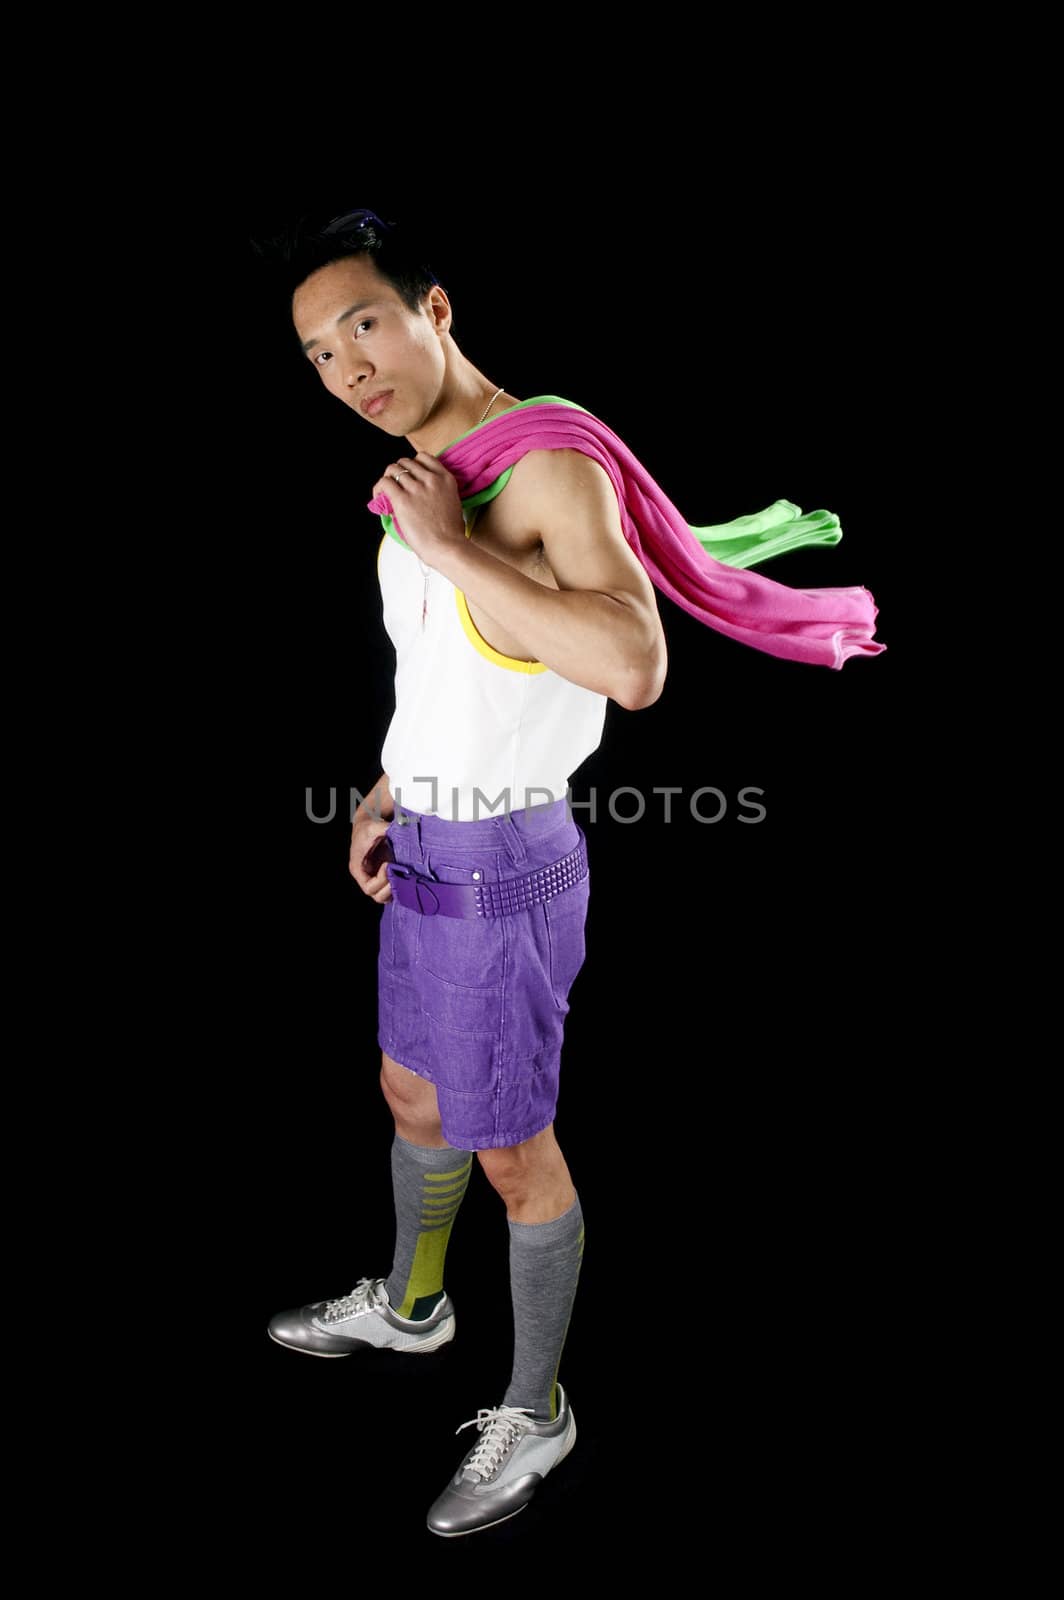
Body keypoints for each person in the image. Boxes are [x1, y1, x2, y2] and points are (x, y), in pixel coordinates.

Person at [260, 208, 668, 1538]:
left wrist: (451, 547)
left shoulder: (544, 465)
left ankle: (537, 1413)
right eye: (319, 354)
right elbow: (446, 673)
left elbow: (633, 666)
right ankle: (414, 1307)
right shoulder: (426, 481)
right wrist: (385, 793)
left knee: (511, 1151)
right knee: (411, 1094)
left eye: (364, 324)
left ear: (434, 307)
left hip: (509, 859)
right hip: (432, 833)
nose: (347, 368)